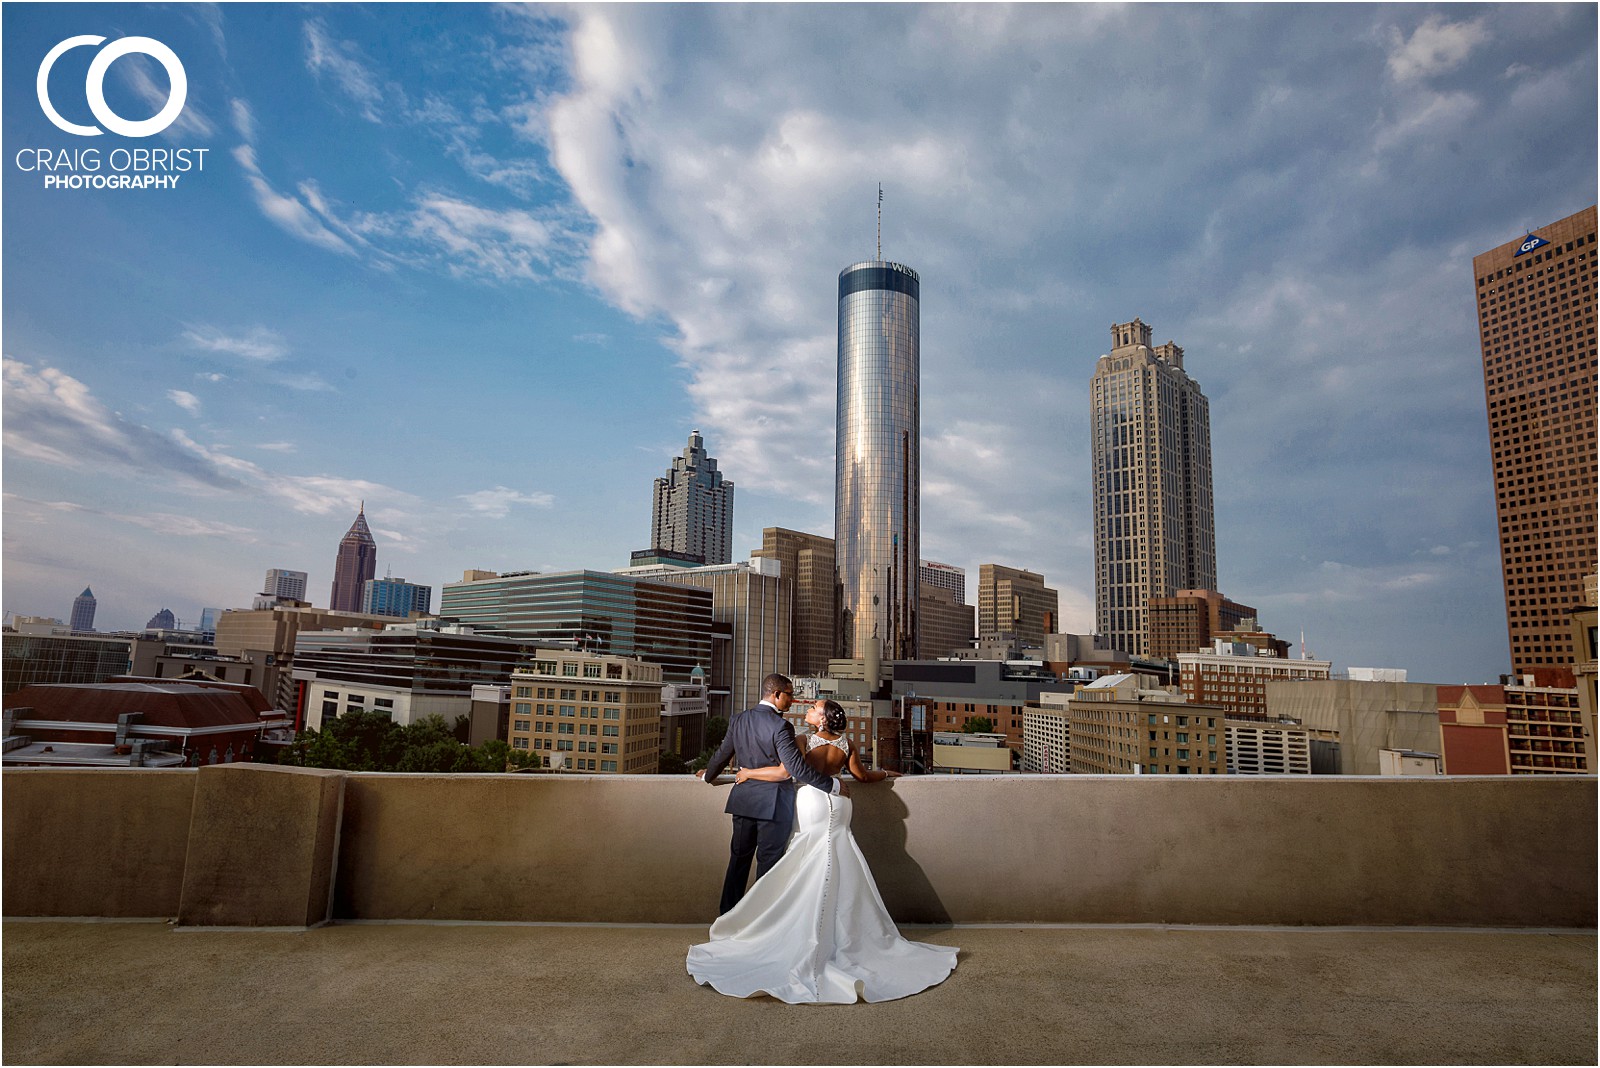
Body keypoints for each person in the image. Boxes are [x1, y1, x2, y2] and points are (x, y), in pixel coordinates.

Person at [687, 698, 959, 1004]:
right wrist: (886, 774)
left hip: (815, 801)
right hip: (842, 804)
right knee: (839, 858)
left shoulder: (803, 739)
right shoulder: (848, 744)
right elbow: (862, 777)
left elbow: (788, 771)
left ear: (822, 720)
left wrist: (749, 773)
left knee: (809, 857)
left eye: (814, 706)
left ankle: (797, 927)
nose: (809, 708)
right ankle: (843, 936)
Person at [698, 673, 841, 915]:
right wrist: (832, 785)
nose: (793, 701)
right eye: (789, 695)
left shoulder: (738, 719)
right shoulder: (781, 726)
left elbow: (722, 754)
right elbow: (795, 769)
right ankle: (760, 921)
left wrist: (706, 776)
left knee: (738, 862)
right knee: (768, 867)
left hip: (743, 801)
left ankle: (727, 919)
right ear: (776, 695)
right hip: (773, 806)